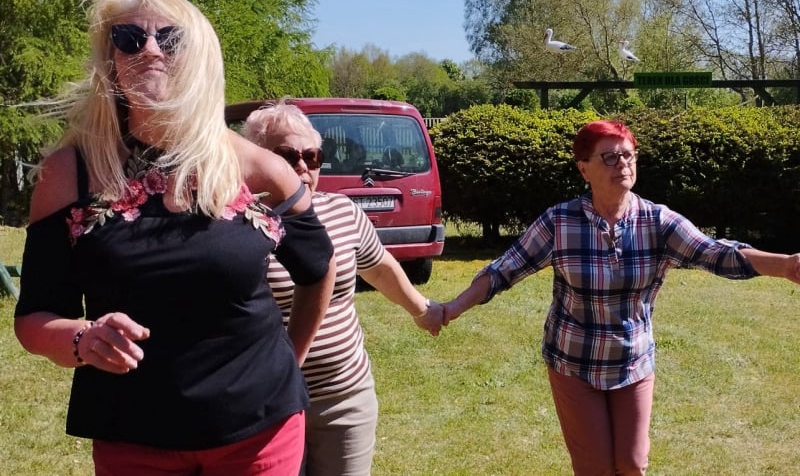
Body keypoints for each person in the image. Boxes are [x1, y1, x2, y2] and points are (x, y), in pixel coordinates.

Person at [14, 0, 335, 476]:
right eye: (128, 38)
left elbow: (318, 266)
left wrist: (291, 358)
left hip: (258, 434)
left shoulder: (258, 169)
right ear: (110, 60)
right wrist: (82, 338)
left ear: (200, 58)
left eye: (170, 38)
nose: (149, 50)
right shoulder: (69, 173)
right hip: (133, 435)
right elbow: (34, 317)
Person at [441, 120, 800, 475]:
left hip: (632, 361)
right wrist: (453, 308)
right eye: (610, 157)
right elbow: (504, 270)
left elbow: (715, 253)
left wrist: (785, 265)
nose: (623, 164)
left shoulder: (657, 222)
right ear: (584, 169)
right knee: (594, 468)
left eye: (628, 155)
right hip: (574, 362)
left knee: (632, 463)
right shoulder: (560, 222)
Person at [242, 100, 444, 476]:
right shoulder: (236, 226)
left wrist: (422, 309)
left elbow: (380, 268)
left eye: (312, 156)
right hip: (267, 404)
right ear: (256, 159)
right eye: (287, 156)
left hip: (344, 398)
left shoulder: (342, 211)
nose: (303, 167)